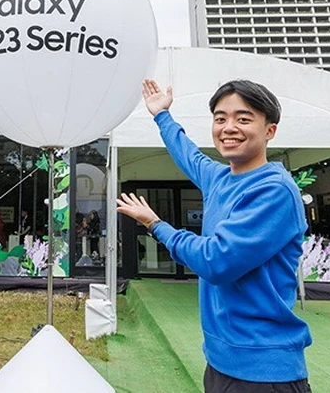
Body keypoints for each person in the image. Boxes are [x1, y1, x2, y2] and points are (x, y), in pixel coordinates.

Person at [116, 79, 312, 392]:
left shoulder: (274, 191)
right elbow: (188, 154)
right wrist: (161, 115)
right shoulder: (220, 177)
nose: (229, 127)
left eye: (243, 119)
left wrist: (156, 224)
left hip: (262, 371)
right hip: (220, 361)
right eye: (220, 118)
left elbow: (216, 261)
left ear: (269, 131)